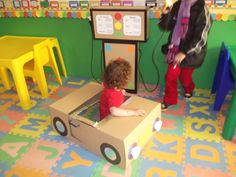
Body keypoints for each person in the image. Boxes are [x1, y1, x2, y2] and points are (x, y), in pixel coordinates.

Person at [158, 0, 212, 111]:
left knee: (185, 77)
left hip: (191, 52)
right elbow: (166, 27)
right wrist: (165, 14)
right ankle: (170, 99)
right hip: (174, 49)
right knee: (170, 76)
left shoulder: (201, 8)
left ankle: (189, 88)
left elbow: (201, 37)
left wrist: (184, 52)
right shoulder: (177, 5)